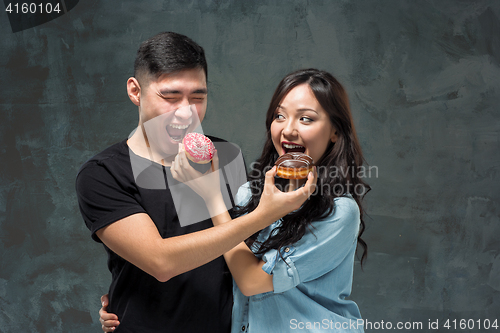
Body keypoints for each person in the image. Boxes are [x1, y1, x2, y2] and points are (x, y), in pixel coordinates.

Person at [76, 32, 317, 333]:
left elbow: (248, 258)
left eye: (198, 97)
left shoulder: (226, 156)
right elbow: (161, 262)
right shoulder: (103, 174)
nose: (186, 112)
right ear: (135, 91)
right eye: (170, 96)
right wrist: (263, 215)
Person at [100, 68, 369, 332]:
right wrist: (127, 298)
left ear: (335, 131)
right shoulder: (248, 194)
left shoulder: (339, 211)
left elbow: (251, 280)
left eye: (306, 119)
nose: (288, 130)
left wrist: (211, 195)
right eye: (279, 115)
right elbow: (215, 260)